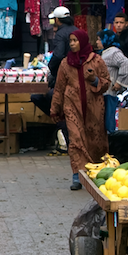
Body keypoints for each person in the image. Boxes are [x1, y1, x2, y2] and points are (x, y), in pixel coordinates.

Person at [49, 29, 109, 191]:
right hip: (72, 107)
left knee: (95, 141)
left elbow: (106, 83)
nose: (72, 44)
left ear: (82, 42)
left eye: (75, 40)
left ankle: (97, 173)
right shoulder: (65, 63)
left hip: (94, 107)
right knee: (76, 140)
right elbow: (59, 88)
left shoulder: (96, 61)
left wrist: (94, 80)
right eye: (71, 41)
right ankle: (78, 174)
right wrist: (55, 108)